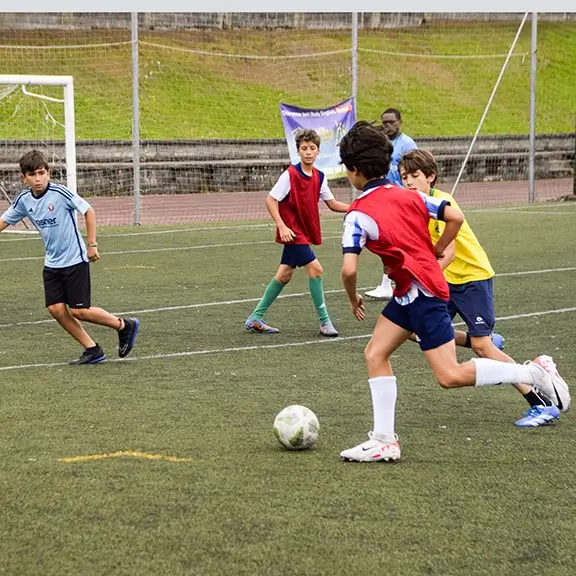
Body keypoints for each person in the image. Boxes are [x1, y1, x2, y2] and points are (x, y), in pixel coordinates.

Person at [337, 121, 569, 462]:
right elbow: (455, 217)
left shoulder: (357, 215)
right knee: (375, 353)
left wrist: (352, 297)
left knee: (449, 375)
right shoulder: (412, 196)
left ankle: (531, 373)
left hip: (424, 294)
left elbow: (348, 269)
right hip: (411, 291)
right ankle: (384, 440)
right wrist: (438, 250)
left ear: (354, 170)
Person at [399, 149, 569, 427]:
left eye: (415, 176)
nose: (408, 182)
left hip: (471, 280)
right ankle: (480, 340)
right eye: (404, 177)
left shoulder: (441, 204)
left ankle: (541, 402)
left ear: (430, 176)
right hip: (447, 281)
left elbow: (449, 253)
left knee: (483, 347)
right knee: (408, 328)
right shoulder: (418, 205)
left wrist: (421, 277)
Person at [0, 149, 139, 365]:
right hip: (52, 262)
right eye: (32, 175)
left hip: (75, 260)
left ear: (49, 173)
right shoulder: (24, 200)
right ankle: (92, 349)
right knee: (55, 309)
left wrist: (91, 244)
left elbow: (89, 211)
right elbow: (4, 221)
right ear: (23, 178)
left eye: (41, 173)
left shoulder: (60, 193)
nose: (37, 179)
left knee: (79, 311)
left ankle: (123, 325)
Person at [245, 129, 349, 336]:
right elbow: (270, 199)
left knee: (284, 275)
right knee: (316, 269)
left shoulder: (319, 177)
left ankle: (255, 317)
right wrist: (282, 226)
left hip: (302, 232)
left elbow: (333, 204)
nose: (308, 152)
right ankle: (325, 322)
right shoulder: (290, 175)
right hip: (293, 233)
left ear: (318, 151)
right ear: (298, 151)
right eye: (304, 149)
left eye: (312, 148)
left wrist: (358, 207)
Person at [365, 108, 417, 300]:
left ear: (399, 122)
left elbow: (414, 170)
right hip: (385, 199)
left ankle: (400, 281)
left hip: (401, 200)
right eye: (384, 122)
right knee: (387, 243)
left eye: (391, 122)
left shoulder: (407, 144)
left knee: (401, 243)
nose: (387, 126)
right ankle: (388, 283)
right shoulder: (383, 143)